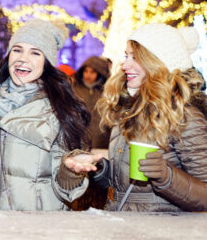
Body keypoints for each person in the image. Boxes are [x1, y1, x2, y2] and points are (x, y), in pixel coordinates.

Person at [58, 23, 207, 212]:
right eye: (126, 56)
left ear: (158, 63)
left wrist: (167, 177)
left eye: (135, 57)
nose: (125, 65)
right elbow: (128, 186)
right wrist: (99, 167)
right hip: (124, 224)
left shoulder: (185, 116)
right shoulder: (128, 109)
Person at [0, 18, 91, 210]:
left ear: (46, 62)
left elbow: (65, 191)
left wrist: (70, 171)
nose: (23, 58)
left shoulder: (59, 108)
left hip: (40, 225)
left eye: (35, 53)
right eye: (17, 49)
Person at [72, 56, 110, 149]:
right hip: (78, 137)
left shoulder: (106, 91)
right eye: (86, 71)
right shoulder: (74, 89)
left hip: (101, 139)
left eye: (92, 72)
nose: (88, 75)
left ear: (99, 73)